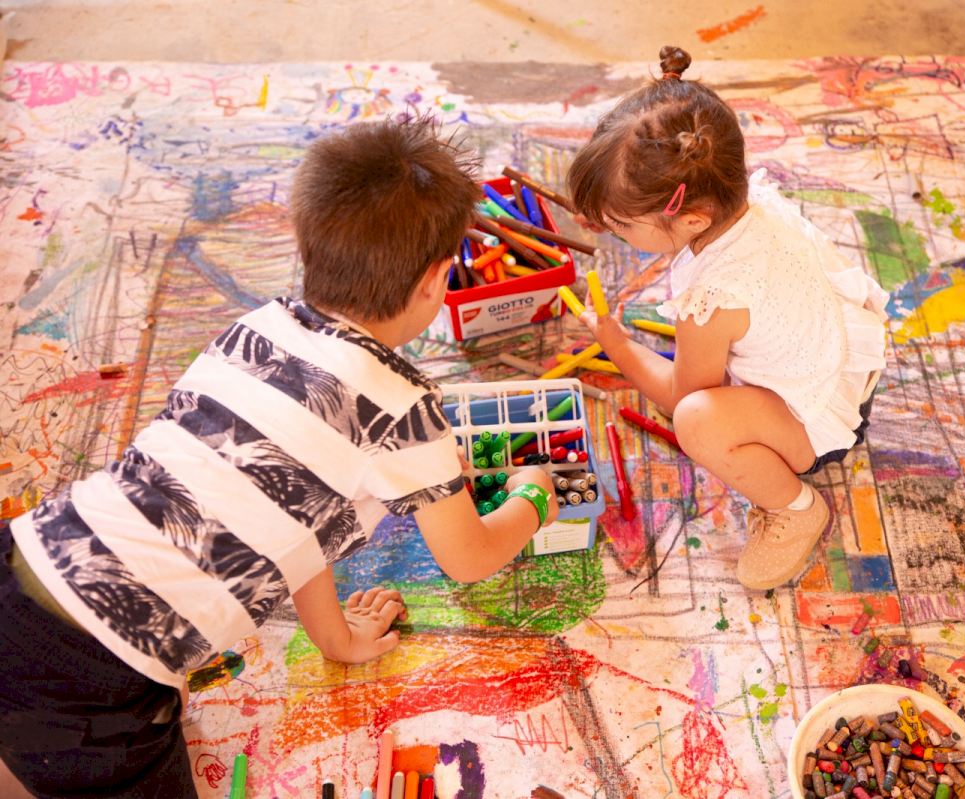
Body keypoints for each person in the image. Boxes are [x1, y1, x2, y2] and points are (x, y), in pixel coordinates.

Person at [0, 117, 557, 798]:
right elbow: (469, 557)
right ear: (438, 280)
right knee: (55, 743)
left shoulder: (255, 329)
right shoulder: (404, 410)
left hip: (24, 558)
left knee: (27, 721)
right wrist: (534, 497)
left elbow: (289, 518)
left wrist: (337, 640)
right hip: (96, 675)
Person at [568, 46, 888, 591]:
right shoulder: (747, 200)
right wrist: (610, 207)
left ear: (693, 219)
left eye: (621, 225)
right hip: (845, 373)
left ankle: (795, 508)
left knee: (698, 420)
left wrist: (618, 347)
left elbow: (683, 397)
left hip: (816, 425)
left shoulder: (712, 300)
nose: (614, 232)